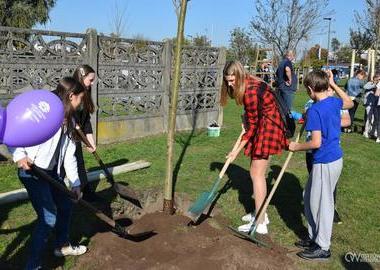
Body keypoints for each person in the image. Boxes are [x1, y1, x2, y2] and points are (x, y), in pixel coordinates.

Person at [9, 77, 88, 270]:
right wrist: (20, 155)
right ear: (71, 96)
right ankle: (32, 266)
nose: (81, 104)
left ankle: (62, 246)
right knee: (49, 218)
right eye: (80, 99)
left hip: (52, 172)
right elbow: (14, 129)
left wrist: (76, 183)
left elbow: (69, 155)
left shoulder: (69, 120)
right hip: (33, 173)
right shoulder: (43, 111)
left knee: (65, 204)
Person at [289, 70, 353, 260]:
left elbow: (315, 143)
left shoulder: (316, 110)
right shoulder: (333, 102)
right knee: (308, 197)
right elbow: (349, 102)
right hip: (333, 159)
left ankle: (323, 247)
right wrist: (333, 84)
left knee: (323, 204)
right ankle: (313, 237)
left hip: (325, 160)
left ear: (310, 89)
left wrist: (296, 146)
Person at [221, 61, 288, 235]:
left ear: (240, 75)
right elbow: (253, 119)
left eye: (232, 80)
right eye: (227, 81)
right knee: (257, 172)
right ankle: (261, 214)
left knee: (256, 174)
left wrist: (235, 152)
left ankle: (260, 223)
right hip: (266, 124)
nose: (230, 84)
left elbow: (251, 128)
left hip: (268, 128)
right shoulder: (250, 81)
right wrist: (248, 120)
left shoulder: (250, 91)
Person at [303, 84, 351, 225]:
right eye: (327, 89)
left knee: (328, 188)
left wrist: (328, 120)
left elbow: (347, 120)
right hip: (312, 150)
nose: (329, 92)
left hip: (328, 152)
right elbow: (307, 120)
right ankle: (315, 229)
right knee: (312, 189)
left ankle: (330, 212)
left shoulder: (335, 103)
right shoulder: (311, 105)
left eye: (331, 89)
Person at [72, 65, 97, 201]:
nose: (92, 83)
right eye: (91, 80)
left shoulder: (86, 93)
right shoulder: (70, 91)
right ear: (82, 78)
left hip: (76, 134)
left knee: (79, 162)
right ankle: (66, 195)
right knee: (67, 163)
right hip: (65, 134)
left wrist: (90, 141)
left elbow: (86, 119)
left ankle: (85, 191)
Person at [363, 73, 380, 142]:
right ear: (375, 78)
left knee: (375, 119)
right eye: (378, 78)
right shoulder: (370, 83)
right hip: (368, 104)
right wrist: (374, 84)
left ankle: (373, 132)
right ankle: (366, 132)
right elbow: (365, 87)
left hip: (375, 104)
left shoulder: (378, 85)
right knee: (369, 118)